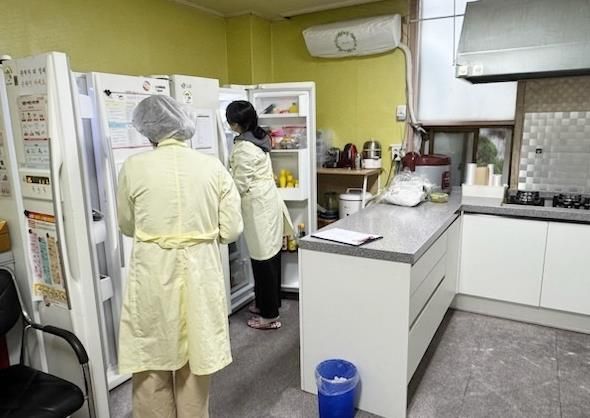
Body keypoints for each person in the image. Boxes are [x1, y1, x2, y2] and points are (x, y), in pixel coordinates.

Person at [117, 95, 243, 418]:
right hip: (200, 273)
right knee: (194, 362)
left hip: (153, 272)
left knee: (151, 360)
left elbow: (127, 225)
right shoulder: (212, 167)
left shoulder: (133, 167)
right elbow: (231, 229)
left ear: (148, 130)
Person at [226, 100, 293, 330]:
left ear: (235, 124)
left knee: (263, 259)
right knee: (270, 254)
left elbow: (240, 184)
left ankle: (269, 316)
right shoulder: (259, 136)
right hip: (267, 201)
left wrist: (221, 201)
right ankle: (268, 302)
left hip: (258, 207)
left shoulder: (244, 148)